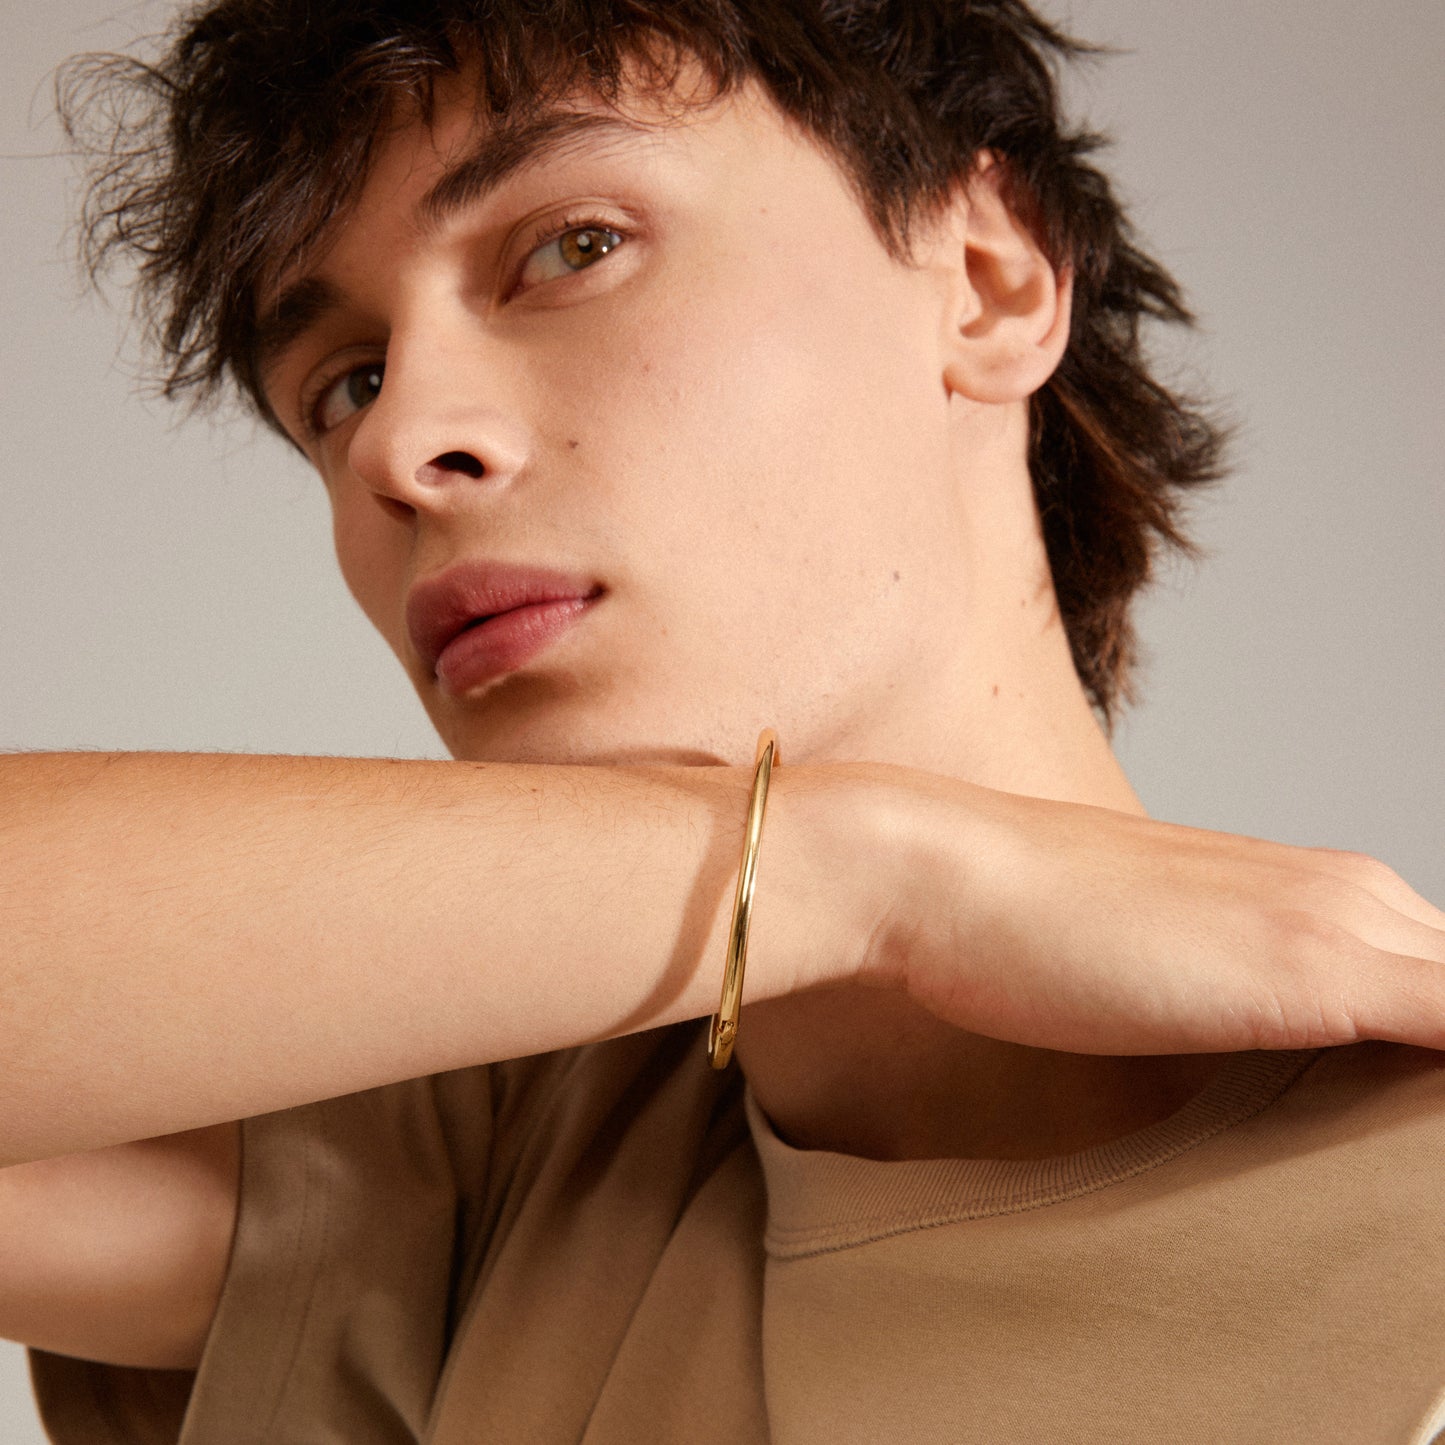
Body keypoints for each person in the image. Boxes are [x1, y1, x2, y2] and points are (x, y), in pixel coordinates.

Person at [3, 1, 1442, 1440]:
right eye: (347, 382)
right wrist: (874, 872)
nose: (395, 442)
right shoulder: (464, 1159)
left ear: (988, 279)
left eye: (574, 247)